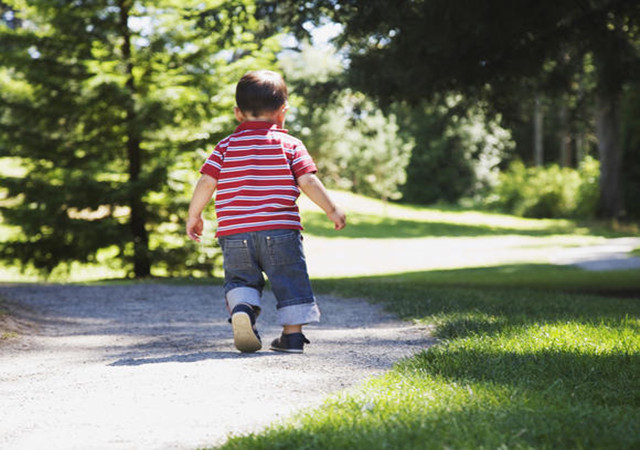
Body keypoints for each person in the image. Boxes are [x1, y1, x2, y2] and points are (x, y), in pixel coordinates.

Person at [186, 70, 346, 354]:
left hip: (234, 232)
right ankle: (292, 337)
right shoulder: (290, 144)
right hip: (280, 230)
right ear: (283, 111)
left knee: (240, 280)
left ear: (238, 113)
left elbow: (207, 181)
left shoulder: (224, 146)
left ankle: (244, 309)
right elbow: (308, 180)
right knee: (289, 279)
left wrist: (194, 215)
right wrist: (331, 209)